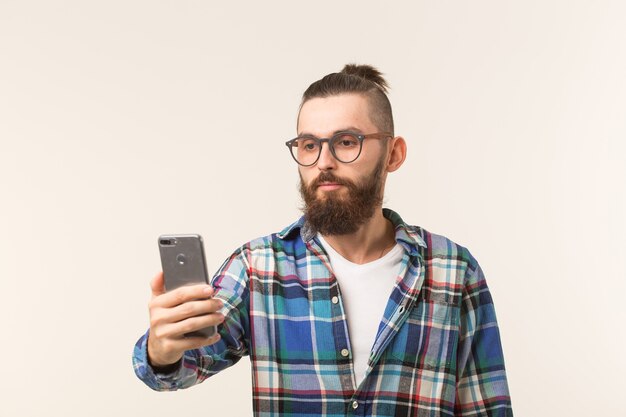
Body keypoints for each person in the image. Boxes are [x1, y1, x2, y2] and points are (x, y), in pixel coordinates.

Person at [133, 64, 513, 416]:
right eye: (309, 145)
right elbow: (179, 369)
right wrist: (162, 349)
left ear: (393, 154)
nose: (323, 161)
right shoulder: (258, 267)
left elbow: (487, 408)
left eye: (347, 142)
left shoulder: (453, 270)